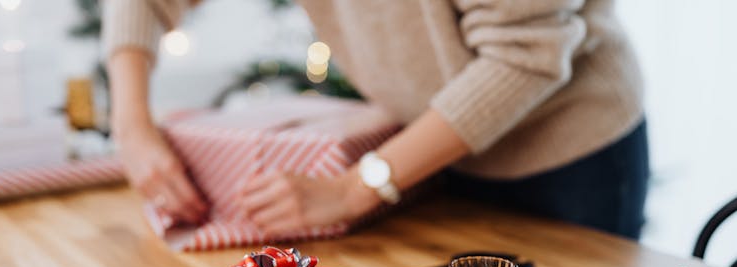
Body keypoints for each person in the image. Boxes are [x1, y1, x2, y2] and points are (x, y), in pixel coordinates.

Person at [102, 0, 648, 239]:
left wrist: (354, 188)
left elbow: (525, 53)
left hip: (567, 149)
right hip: (430, 147)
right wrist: (131, 128)